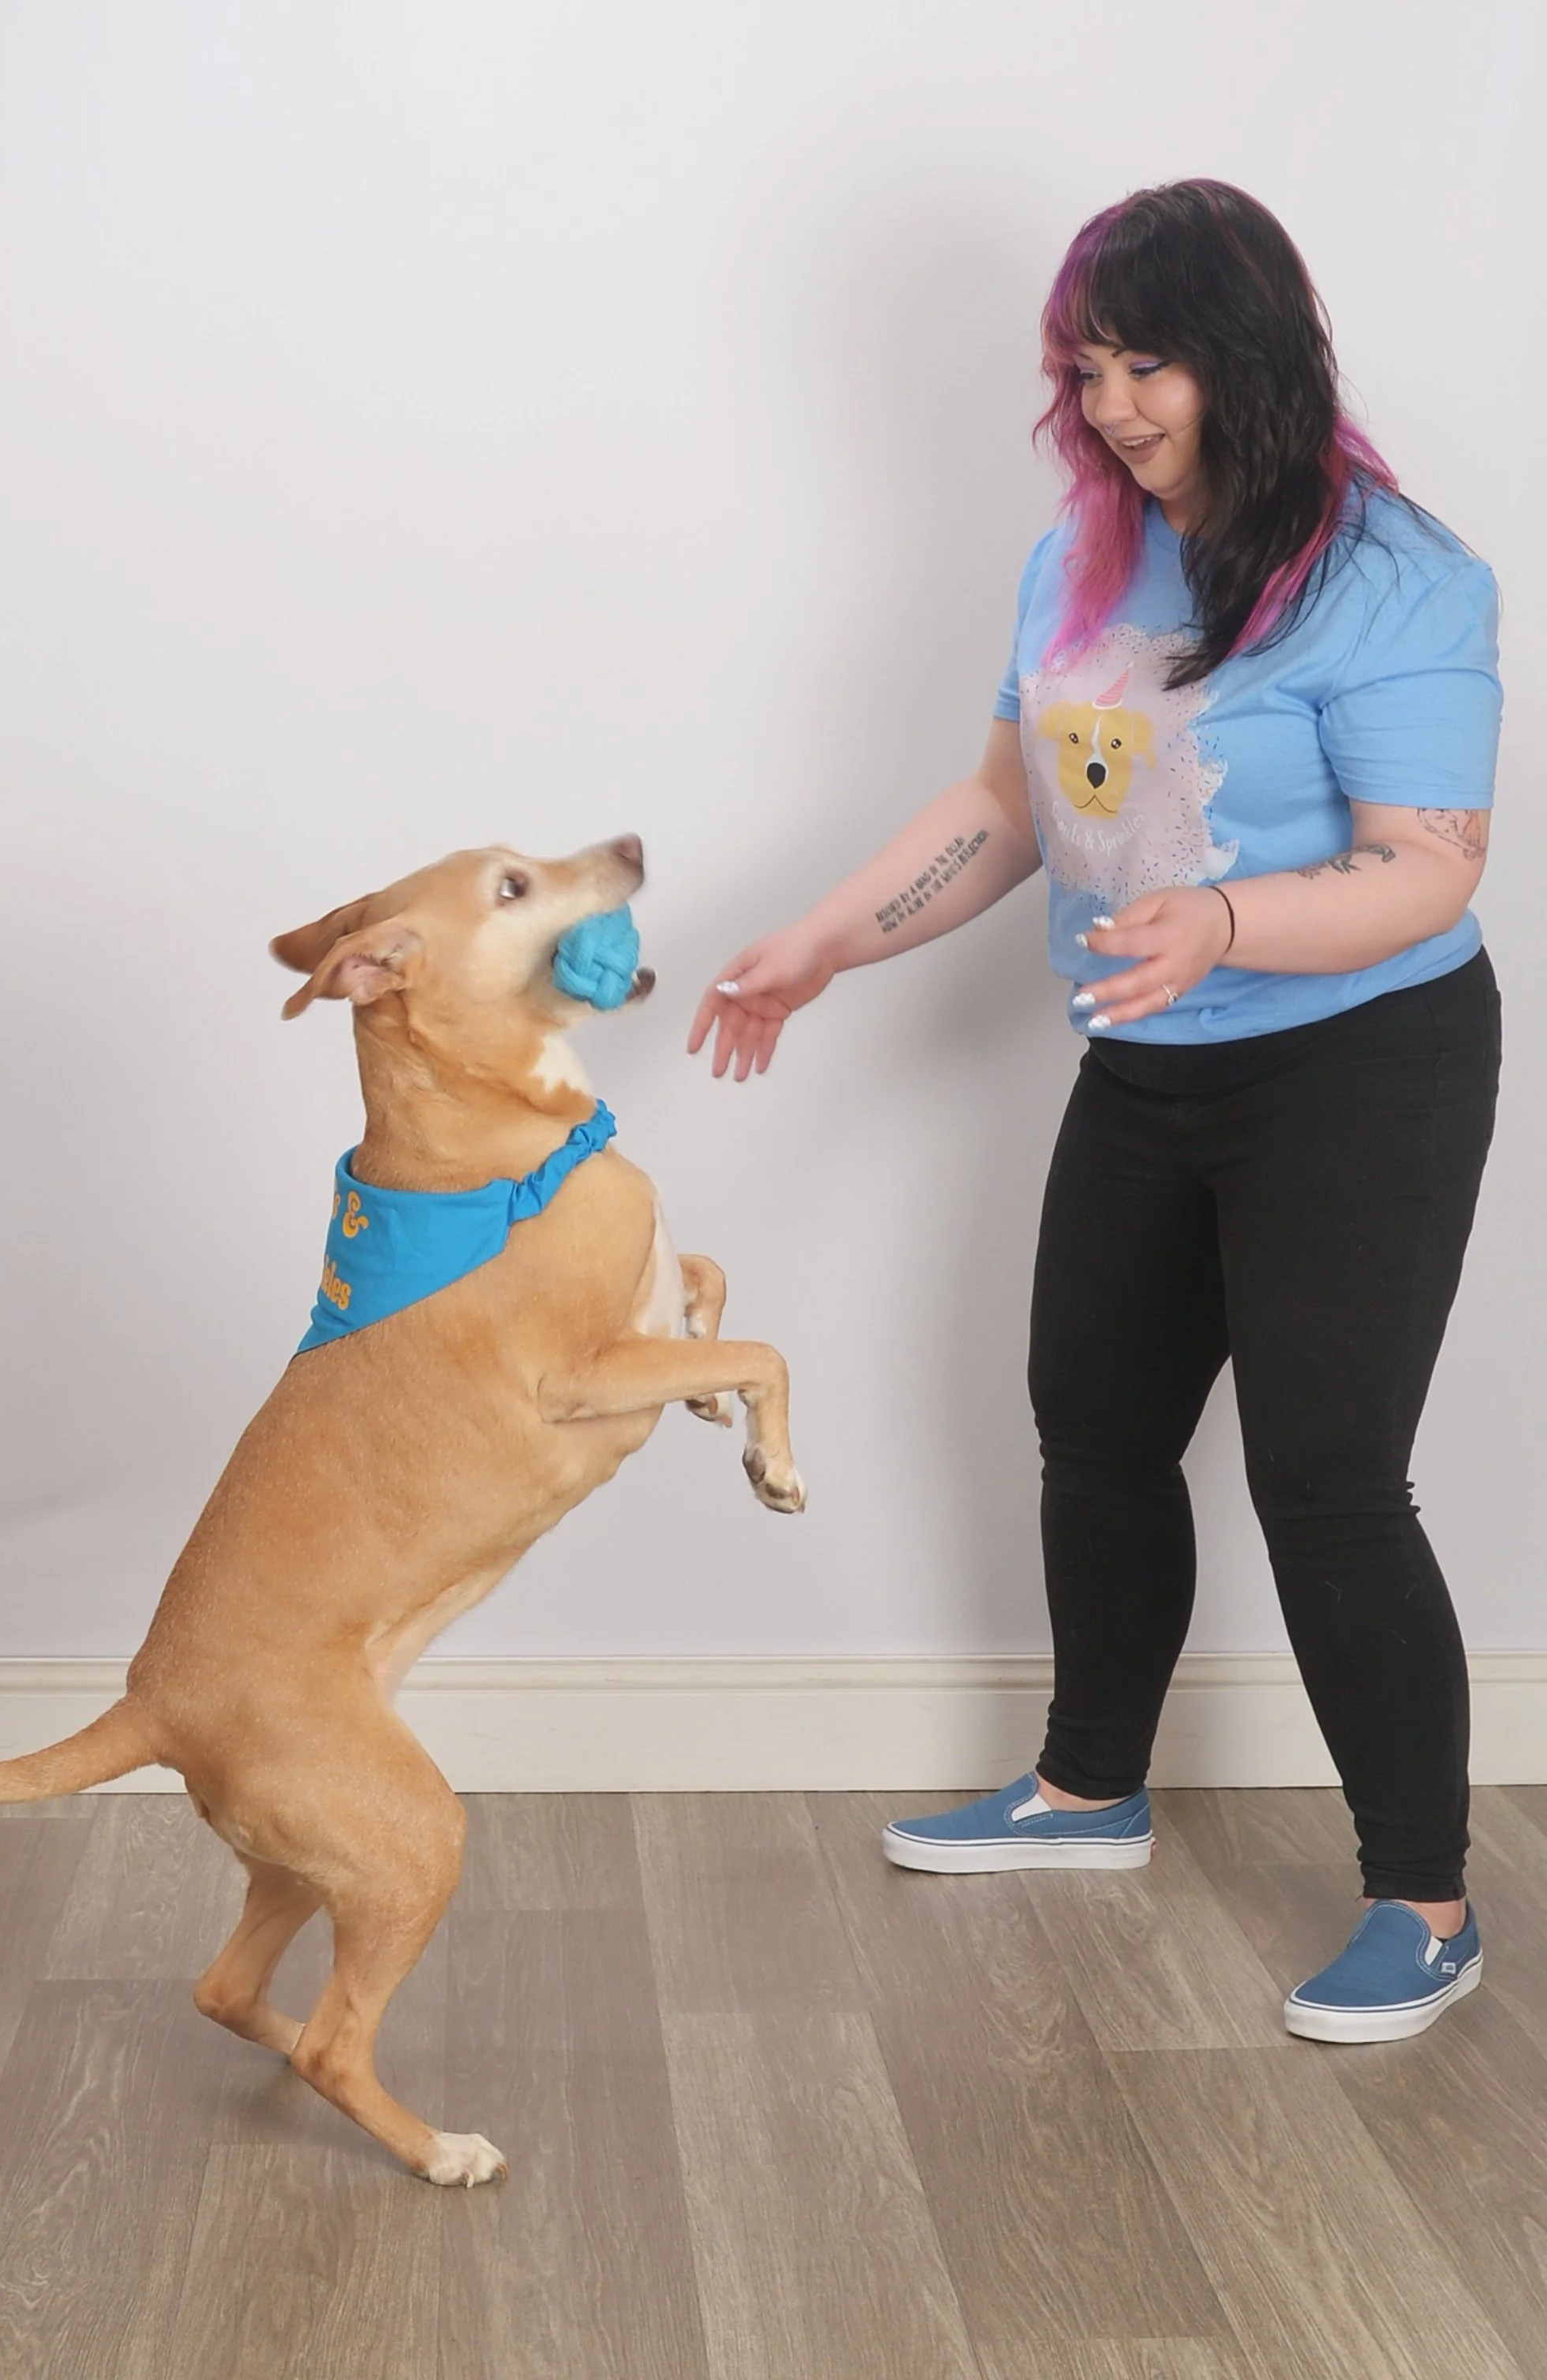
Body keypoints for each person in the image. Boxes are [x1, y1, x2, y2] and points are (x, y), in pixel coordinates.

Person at [689, 180, 1502, 2044]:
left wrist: (1220, 916)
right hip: (1151, 1060)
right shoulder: (1081, 561)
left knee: (1327, 1479)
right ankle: (1087, 1787)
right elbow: (1008, 805)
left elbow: (1426, 870)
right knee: (1098, 1429)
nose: (1119, 403)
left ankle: (1426, 1898)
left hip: (1360, 1066)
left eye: (1155, 361)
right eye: (1090, 364)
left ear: (1253, 356)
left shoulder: (1399, 576)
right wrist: (824, 940)